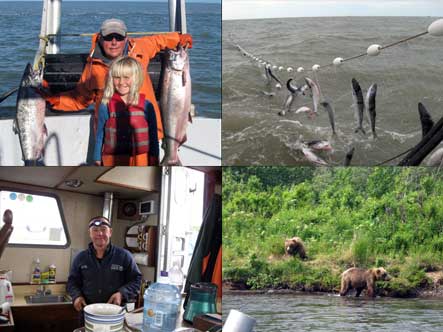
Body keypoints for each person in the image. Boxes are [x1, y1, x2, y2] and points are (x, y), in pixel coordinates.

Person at [45, 18, 193, 141]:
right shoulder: (92, 68)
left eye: (119, 37)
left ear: (126, 38)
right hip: (111, 138)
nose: (114, 42)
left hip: (146, 133)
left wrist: (179, 39)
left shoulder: (139, 48)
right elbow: (79, 100)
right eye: (109, 38)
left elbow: (158, 40)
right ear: (101, 39)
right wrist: (53, 99)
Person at [67, 216, 142, 312]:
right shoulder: (80, 258)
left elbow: (136, 280)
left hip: (116, 313)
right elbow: (72, 282)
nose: (100, 234)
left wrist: (121, 293)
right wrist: (77, 296)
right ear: (89, 233)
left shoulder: (124, 256)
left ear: (110, 232)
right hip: (87, 312)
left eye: (103, 229)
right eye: (95, 230)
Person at [93, 56, 159, 166]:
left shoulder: (147, 106)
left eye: (126, 77)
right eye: (117, 77)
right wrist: (96, 158)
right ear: (111, 79)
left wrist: (155, 157)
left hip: (141, 159)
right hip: (112, 159)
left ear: (136, 78)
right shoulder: (105, 106)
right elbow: (100, 135)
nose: (121, 82)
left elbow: (153, 137)